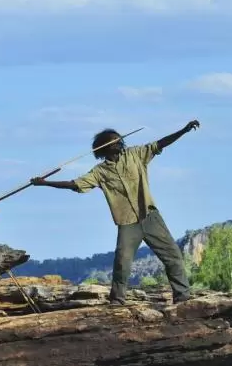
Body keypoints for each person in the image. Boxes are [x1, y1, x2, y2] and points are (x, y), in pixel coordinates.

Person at [30, 121, 200, 305]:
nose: (120, 142)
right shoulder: (99, 172)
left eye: (119, 140)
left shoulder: (136, 154)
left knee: (172, 255)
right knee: (122, 262)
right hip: (127, 222)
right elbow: (75, 184)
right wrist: (45, 183)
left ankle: (182, 296)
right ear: (104, 147)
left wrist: (184, 130)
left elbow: (161, 143)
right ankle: (117, 300)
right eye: (114, 141)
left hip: (150, 216)